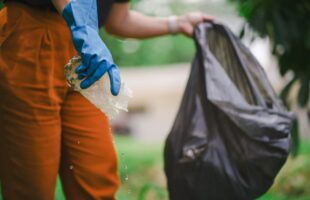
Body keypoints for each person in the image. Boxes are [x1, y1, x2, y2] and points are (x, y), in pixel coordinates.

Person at [0, 0, 212, 199]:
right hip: (30, 38)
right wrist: (80, 23)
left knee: (96, 178)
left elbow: (118, 20)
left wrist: (176, 23)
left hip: (85, 59)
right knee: (31, 184)